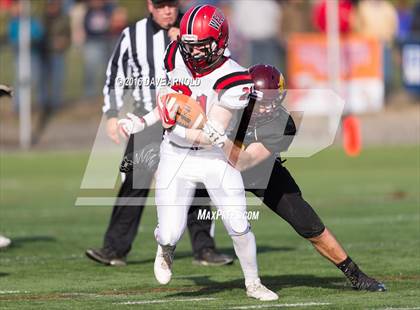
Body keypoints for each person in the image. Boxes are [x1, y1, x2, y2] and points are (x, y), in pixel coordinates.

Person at [121, 4, 279, 301]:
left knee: (238, 223)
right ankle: (165, 248)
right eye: (188, 44)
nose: (192, 52)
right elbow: (168, 102)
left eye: (200, 46)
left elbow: (211, 136)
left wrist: (175, 126)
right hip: (176, 156)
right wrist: (145, 121)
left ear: (219, 42)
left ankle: (253, 282)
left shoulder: (234, 78)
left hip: (214, 158)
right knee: (169, 233)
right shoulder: (174, 54)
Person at [209, 64, 387, 292]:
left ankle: (356, 275)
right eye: (262, 102)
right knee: (182, 202)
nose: (266, 109)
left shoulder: (283, 124)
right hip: (217, 167)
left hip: (259, 171)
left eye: (272, 102)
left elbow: (244, 162)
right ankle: (170, 247)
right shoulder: (229, 106)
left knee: (308, 223)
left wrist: (218, 137)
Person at [85, 0, 232, 267]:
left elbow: (223, 62)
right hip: (150, 116)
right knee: (134, 179)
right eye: (161, 5)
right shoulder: (133, 34)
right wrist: (111, 114)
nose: (168, 11)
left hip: (189, 116)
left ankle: (204, 249)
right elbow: (116, 75)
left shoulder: (195, 28)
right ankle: (115, 248)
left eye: (172, 5)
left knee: (198, 181)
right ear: (150, 5)